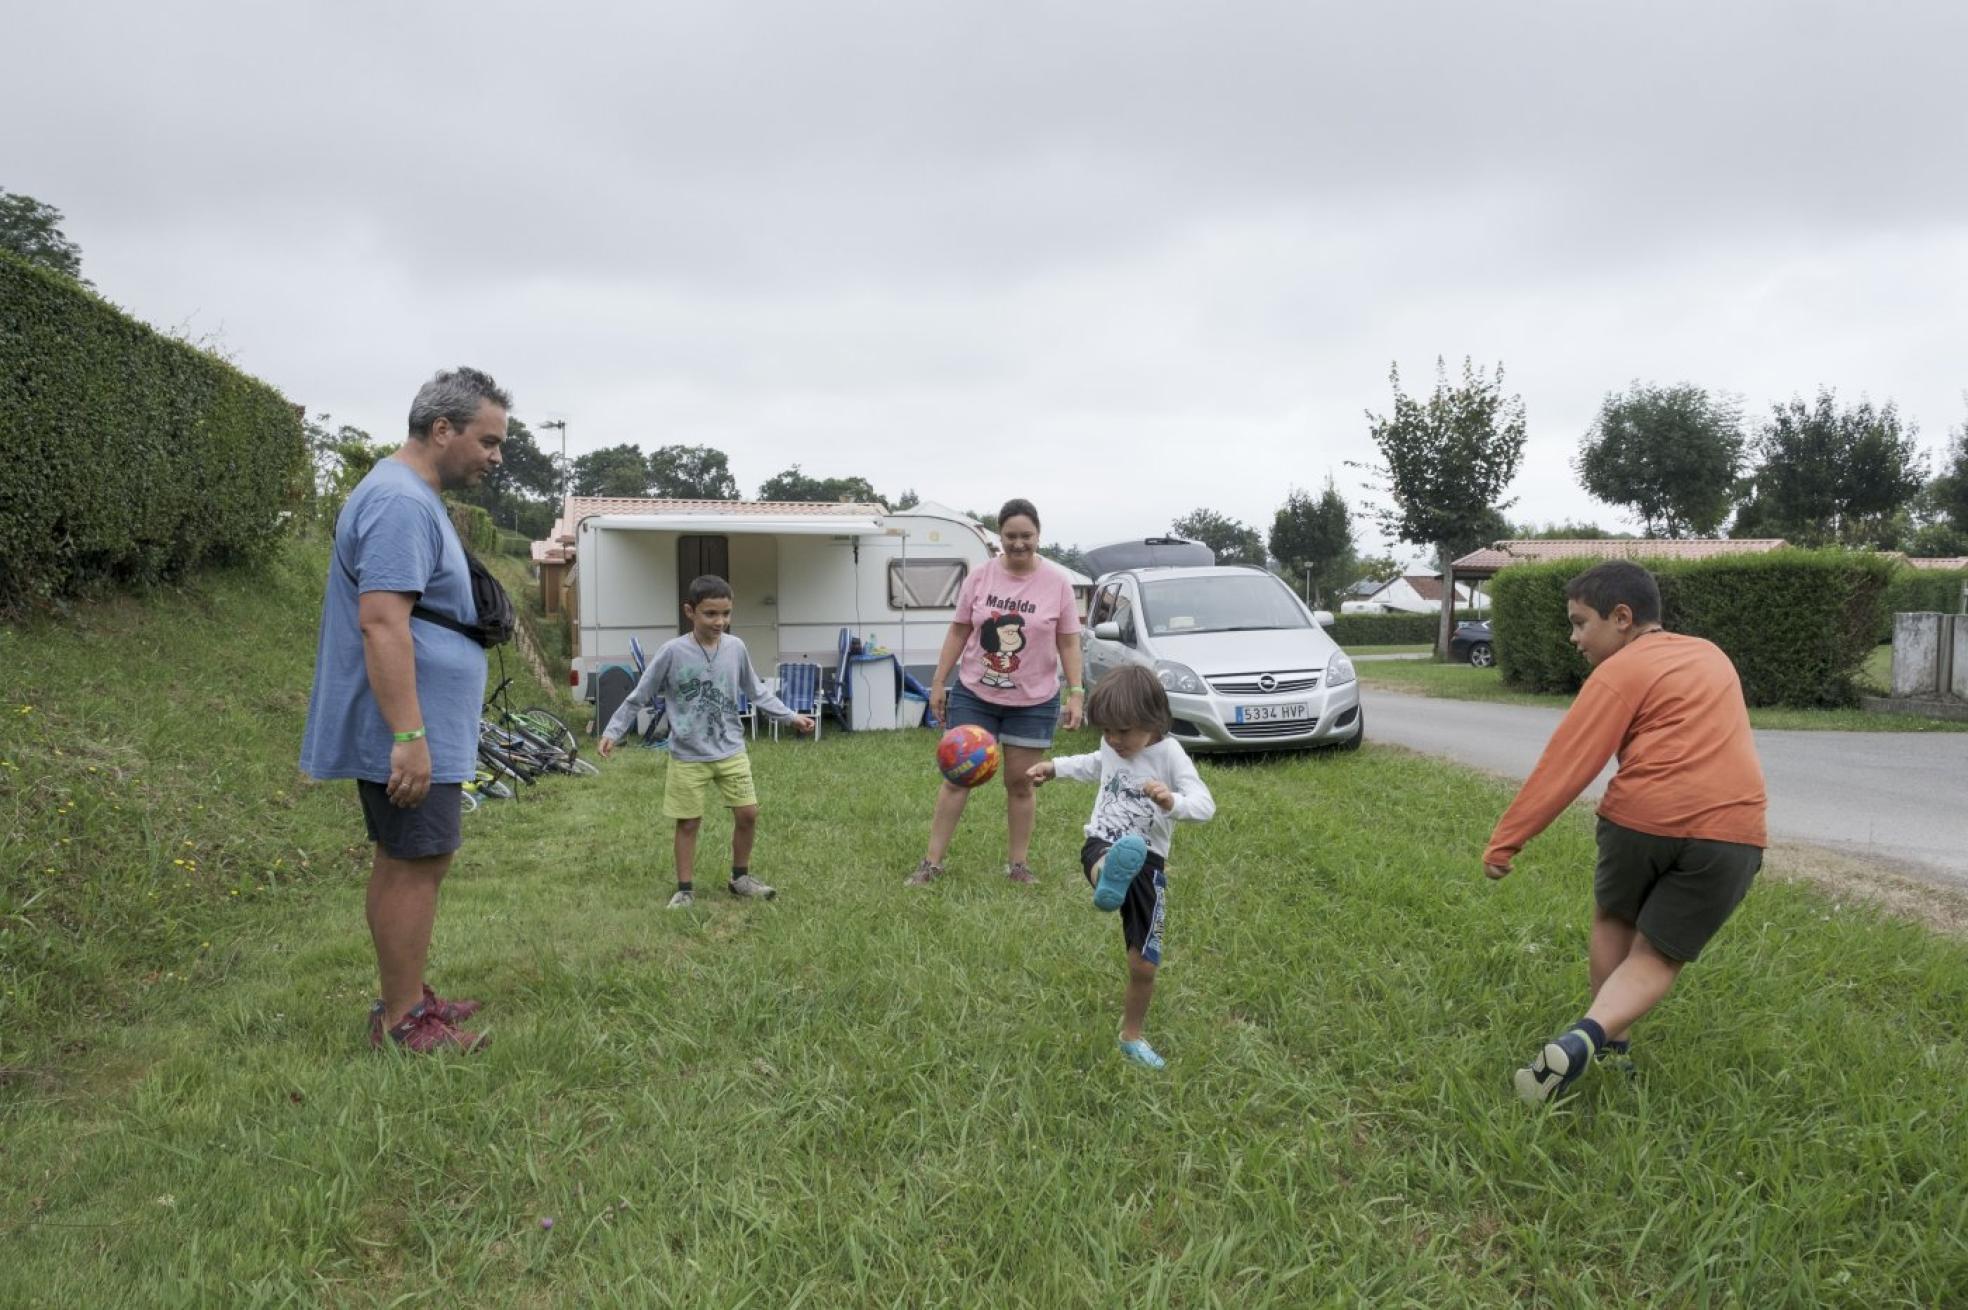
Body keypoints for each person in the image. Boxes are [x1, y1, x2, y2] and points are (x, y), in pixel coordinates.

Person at [1483, 561, 1767, 1104]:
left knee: (1615, 918)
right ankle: (1594, 1042)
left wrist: (1506, 840)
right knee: (1658, 956)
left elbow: (1568, 763)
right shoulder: (1712, 655)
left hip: (1641, 817)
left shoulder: (1619, 671)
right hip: (1734, 829)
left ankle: (1603, 1044)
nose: (1573, 638)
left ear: (1621, 617)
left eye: (1579, 623)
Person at [300, 366, 509, 1053]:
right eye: (488, 440)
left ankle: (407, 997)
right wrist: (409, 735)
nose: (495, 456)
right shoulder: (398, 501)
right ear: (441, 429)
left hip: (422, 723)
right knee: (415, 860)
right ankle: (401, 1024)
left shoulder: (410, 496)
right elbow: (383, 622)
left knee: (415, 858)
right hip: (406, 726)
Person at [1028, 664, 1215, 1069]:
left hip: (1148, 864)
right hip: (1103, 842)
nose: (1113, 740)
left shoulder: (1170, 755)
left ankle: (1132, 1036)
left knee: (1144, 964)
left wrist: (1172, 802)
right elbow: (1094, 763)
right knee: (1101, 857)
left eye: (1123, 731)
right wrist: (1054, 767)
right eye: (1107, 730)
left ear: (1155, 721)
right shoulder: (1112, 746)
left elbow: (1205, 805)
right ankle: (1107, 876)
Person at [598, 575, 814, 908]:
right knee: (688, 822)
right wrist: (613, 730)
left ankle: (740, 878)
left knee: (748, 814)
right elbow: (639, 695)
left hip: (731, 749)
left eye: (726, 613)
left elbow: (756, 690)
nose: (720, 622)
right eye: (710, 614)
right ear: (690, 611)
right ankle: (684, 889)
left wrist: (790, 716)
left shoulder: (736, 648)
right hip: (688, 754)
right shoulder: (673, 652)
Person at [907, 498, 1085, 887]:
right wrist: (938, 682)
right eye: (1010, 536)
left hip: (1034, 701)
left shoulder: (1057, 584)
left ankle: (1018, 866)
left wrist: (1076, 692)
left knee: (1020, 784)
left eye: (1027, 536)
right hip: (975, 693)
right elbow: (958, 631)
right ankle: (931, 863)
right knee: (957, 777)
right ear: (998, 537)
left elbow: (1069, 642)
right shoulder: (980, 577)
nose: (1019, 544)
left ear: (1039, 535)